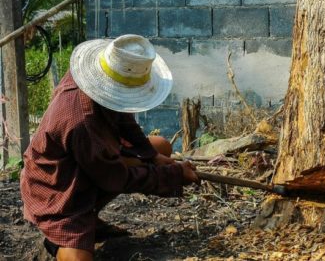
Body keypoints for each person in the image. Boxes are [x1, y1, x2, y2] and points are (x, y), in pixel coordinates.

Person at [20, 34, 199, 261]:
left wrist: (152, 156)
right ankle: (59, 239)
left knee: (161, 147)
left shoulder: (95, 79)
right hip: (56, 187)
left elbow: (124, 119)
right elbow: (117, 178)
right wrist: (174, 174)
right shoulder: (81, 122)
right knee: (80, 257)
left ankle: (88, 218)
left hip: (89, 161)